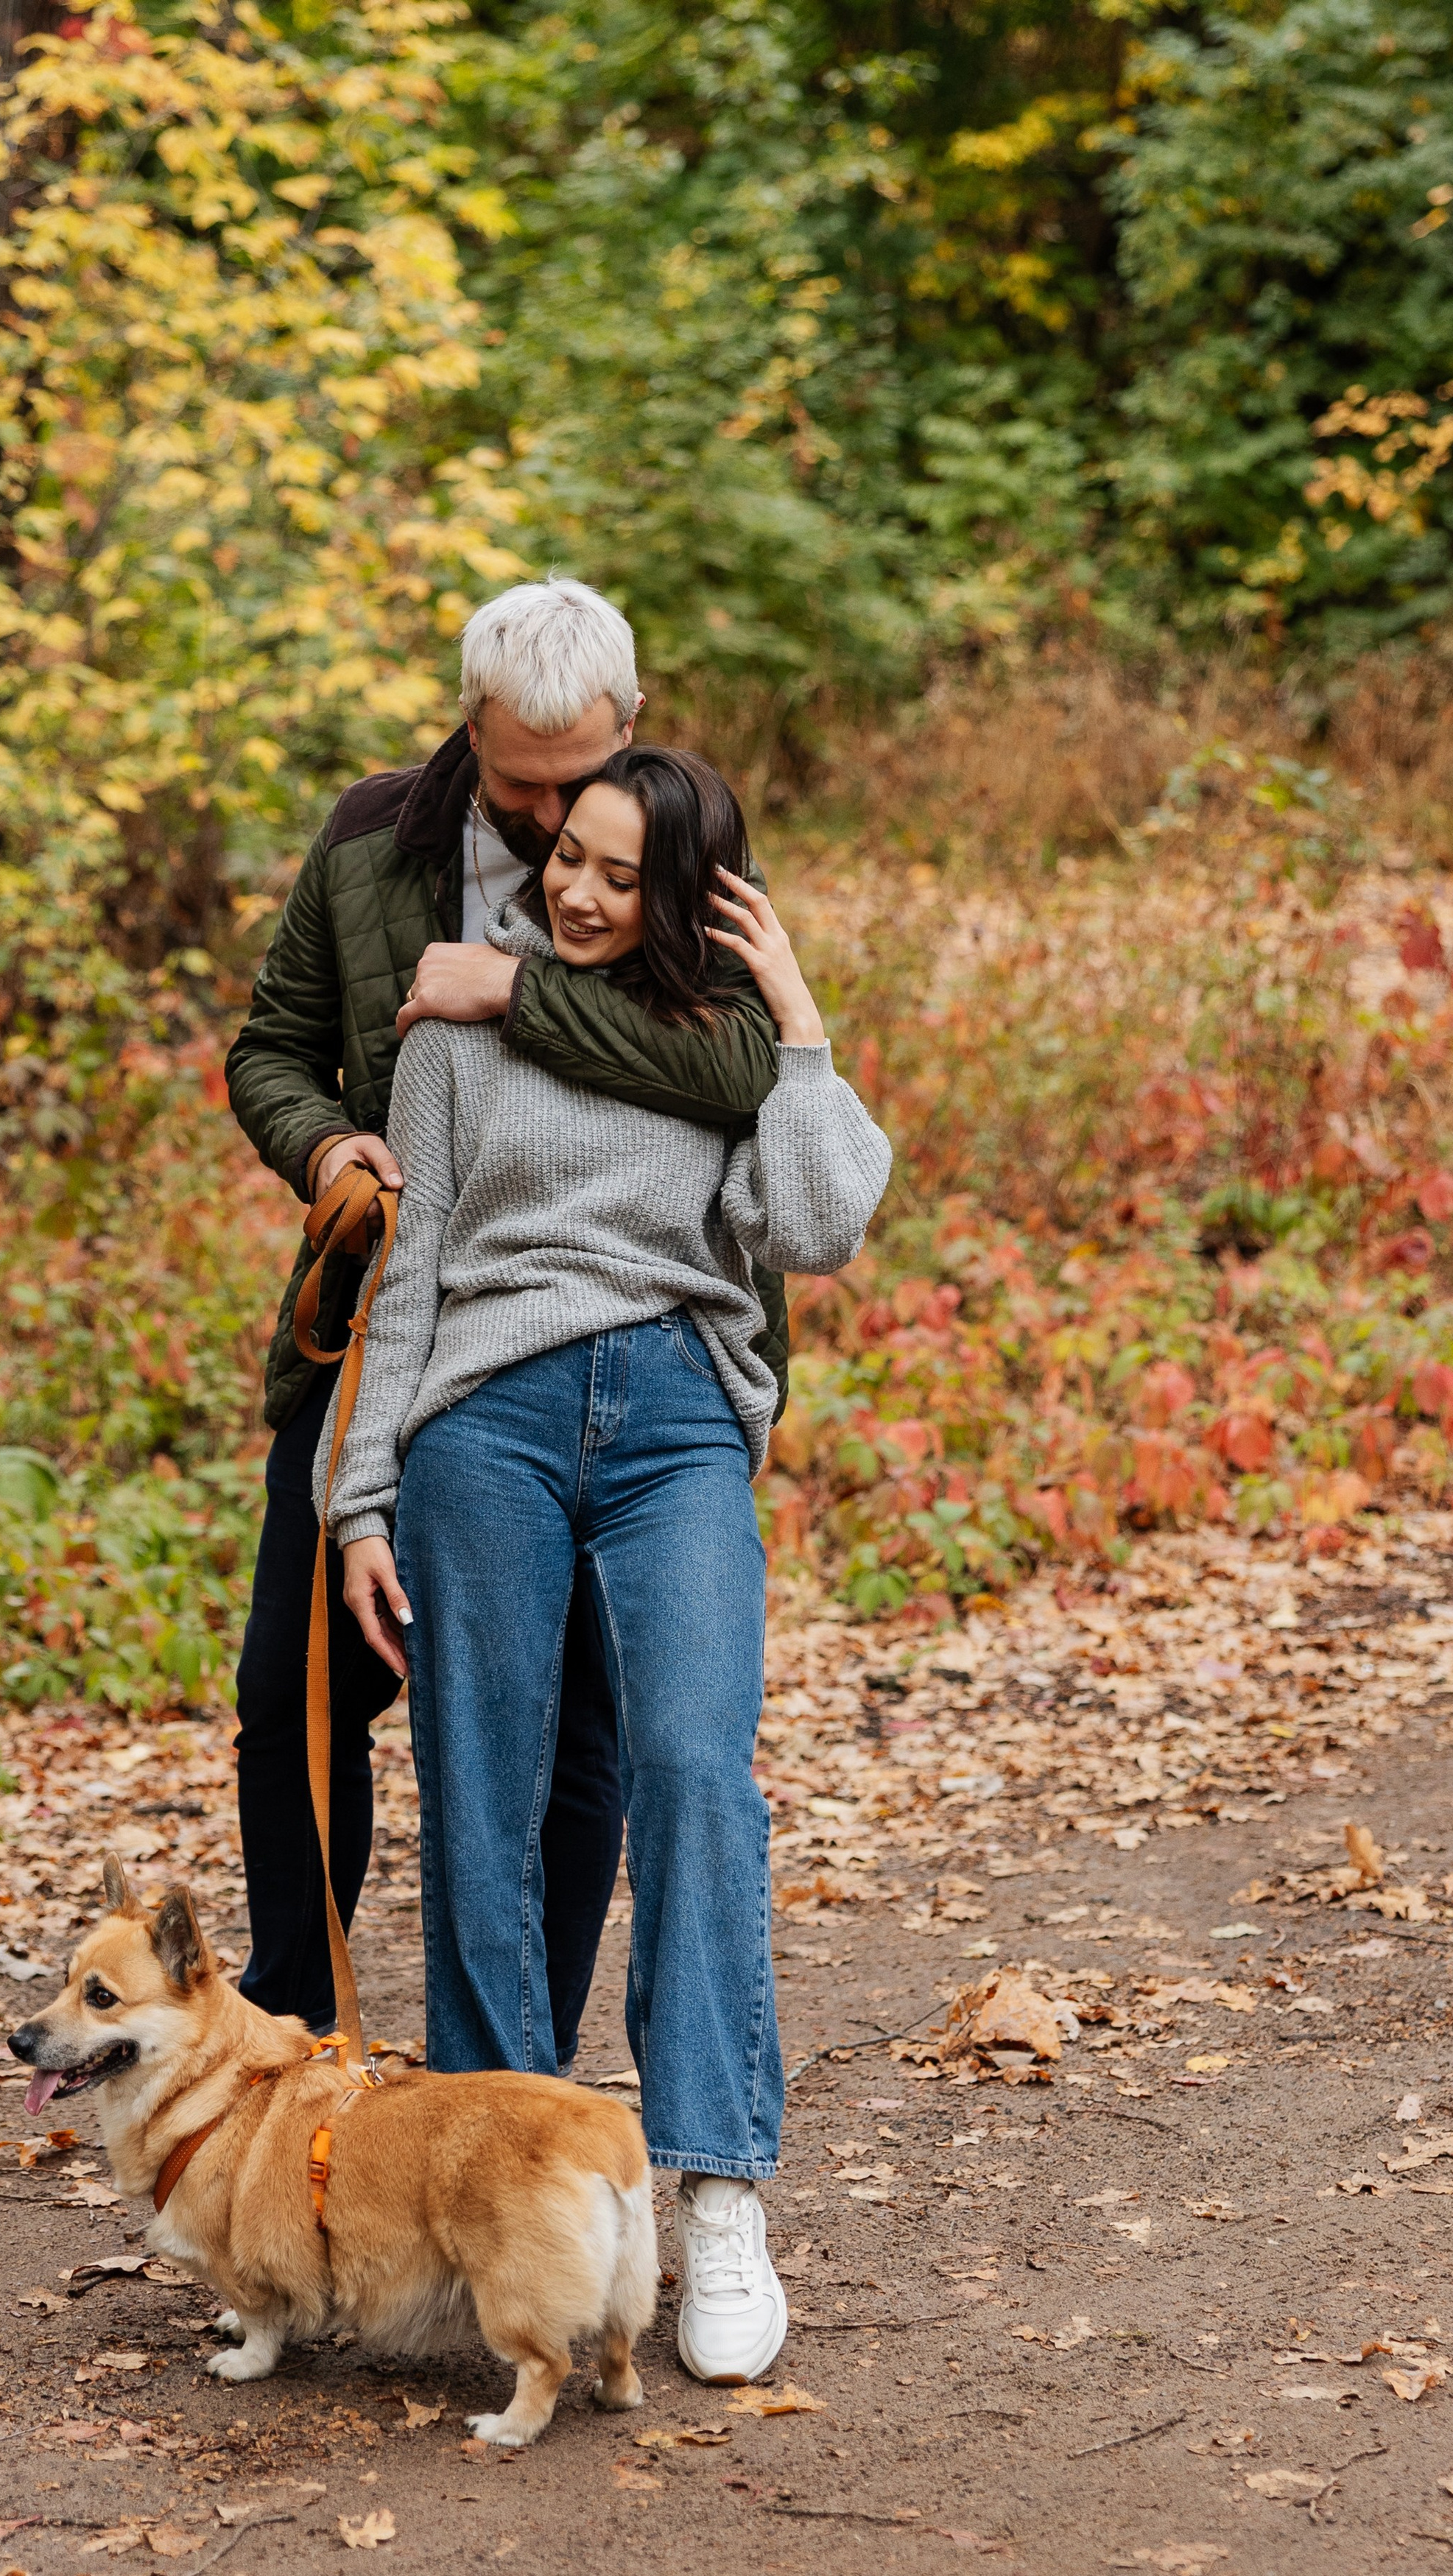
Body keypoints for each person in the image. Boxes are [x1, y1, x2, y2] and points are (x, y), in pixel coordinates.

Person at [320, 747, 892, 2384]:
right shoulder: (457, 1027)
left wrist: (796, 1014)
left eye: (620, 876)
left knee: (697, 1775)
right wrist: (364, 1500)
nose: (573, 891)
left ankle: (717, 2192)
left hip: (673, 1420)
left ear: (690, 899)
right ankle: (511, 2208)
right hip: (482, 1421)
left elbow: (821, 1224)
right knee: (482, 1801)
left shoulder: (723, 1047)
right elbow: (412, 1271)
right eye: (567, 854)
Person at [224, 581, 789, 2065]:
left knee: (577, 1734)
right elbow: (272, 1048)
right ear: (468, 721)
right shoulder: (368, 841)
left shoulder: (675, 843)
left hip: (609, 1335)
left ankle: (521, 2079)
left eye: (575, 779)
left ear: (630, 724)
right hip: (391, 1314)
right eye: (521, 785)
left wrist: (508, 990)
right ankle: (291, 2028)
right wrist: (324, 1148)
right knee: (295, 1690)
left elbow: (740, 1065)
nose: (549, 826)